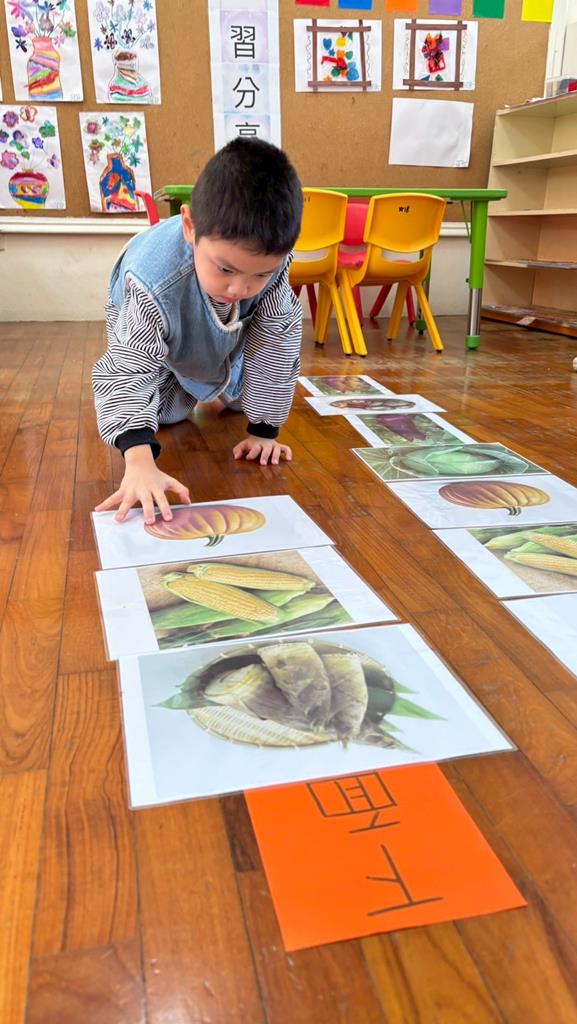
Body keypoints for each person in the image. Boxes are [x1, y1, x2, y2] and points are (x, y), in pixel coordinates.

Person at [92, 137, 303, 526]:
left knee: (243, 400)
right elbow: (128, 369)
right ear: (189, 226)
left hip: (218, 333)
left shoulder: (271, 267)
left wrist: (264, 430)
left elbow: (277, 342)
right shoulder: (151, 281)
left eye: (260, 274)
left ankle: (217, 383)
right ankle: (176, 386)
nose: (239, 288)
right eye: (225, 268)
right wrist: (138, 461)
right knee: (166, 414)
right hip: (152, 322)